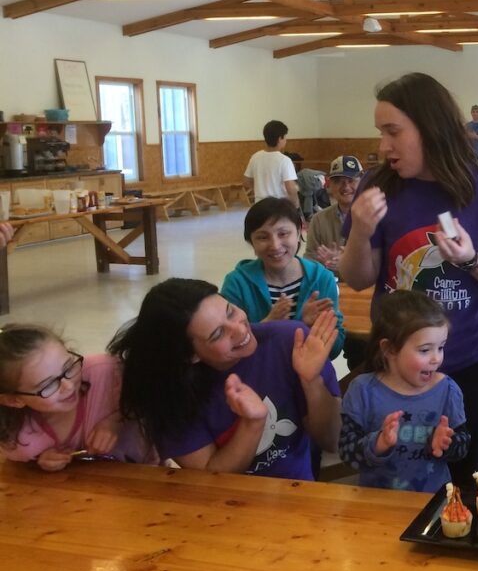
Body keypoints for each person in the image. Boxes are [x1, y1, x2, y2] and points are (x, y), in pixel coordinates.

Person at [339, 72, 478, 482]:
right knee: (388, 481)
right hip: (391, 370)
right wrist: (359, 230)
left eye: (393, 131)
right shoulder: (378, 187)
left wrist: (471, 260)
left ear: (430, 128)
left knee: (466, 482)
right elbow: (358, 279)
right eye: (380, 132)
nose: (383, 146)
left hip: (466, 367)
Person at [111, 278, 341, 480]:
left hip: (297, 492)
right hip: (221, 511)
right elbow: (212, 480)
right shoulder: (168, 392)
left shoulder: (290, 341)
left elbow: (331, 439)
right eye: (218, 333)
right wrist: (252, 424)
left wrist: (311, 383)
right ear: (190, 356)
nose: (240, 330)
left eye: (231, 311)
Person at [339, 290, 469, 492]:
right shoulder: (362, 391)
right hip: (376, 504)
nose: (436, 358)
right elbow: (347, 453)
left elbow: (462, 446)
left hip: (431, 503)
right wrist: (378, 444)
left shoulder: (448, 390)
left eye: (441, 347)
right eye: (425, 350)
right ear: (389, 349)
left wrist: (447, 443)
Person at [0, 323, 154, 470]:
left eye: (68, 367)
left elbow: (157, 401)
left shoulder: (108, 371)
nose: (68, 386)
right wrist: (39, 460)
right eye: (48, 385)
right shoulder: (15, 439)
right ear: (14, 400)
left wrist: (117, 421)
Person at [221, 198, 346, 362]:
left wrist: (311, 327)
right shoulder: (237, 283)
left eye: (283, 234)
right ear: (251, 242)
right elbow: (227, 348)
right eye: (262, 237)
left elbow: (335, 349)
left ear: (300, 231)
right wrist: (267, 325)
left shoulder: (322, 278)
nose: (275, 245)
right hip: (256, 378)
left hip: (309, 378)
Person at [305, 155, 362, 273]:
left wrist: (346, 262)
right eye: (338, 182)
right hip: (329, 286)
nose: (345, 187)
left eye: (351, 180)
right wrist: (324, 263)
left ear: (362, 182)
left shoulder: (375, 219)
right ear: (329, 185)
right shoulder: (318, 220)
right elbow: (309, 258)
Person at [243, 120, 299, 206]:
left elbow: (246, 181)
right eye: (285, 137)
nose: (286, 140)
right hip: (278, 205)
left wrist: (260, 189)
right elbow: (291, 189)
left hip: (259, 204)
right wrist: (296, 204)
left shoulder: (255, 157)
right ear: (280, 139)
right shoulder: (285, 160)